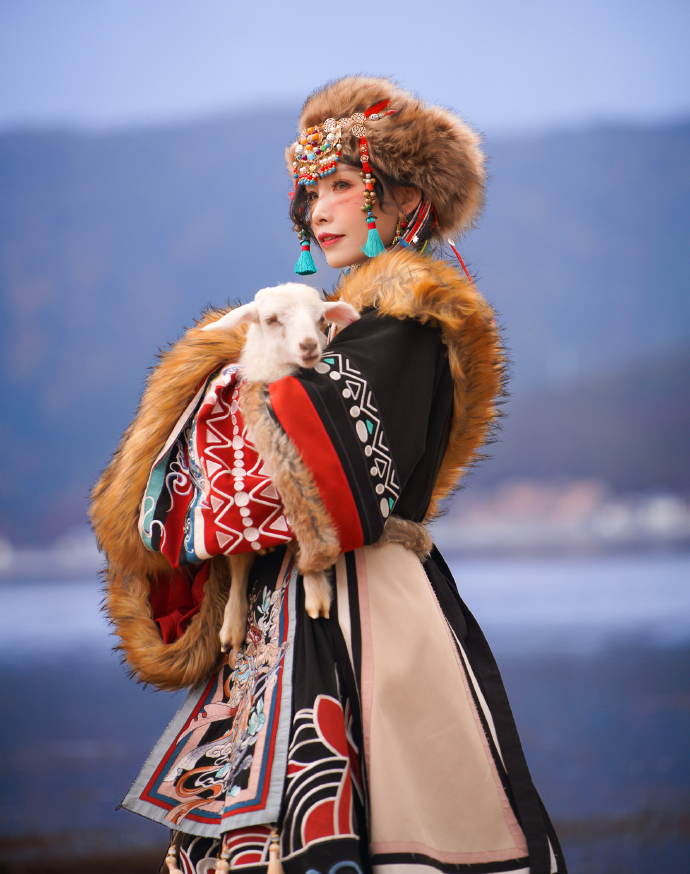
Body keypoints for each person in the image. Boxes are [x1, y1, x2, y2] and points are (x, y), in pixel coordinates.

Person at [91, 76, 567, 874]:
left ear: (404, 199)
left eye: (341, 185)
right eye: (311, 193)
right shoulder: (339, 326)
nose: (319, 210)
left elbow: (298, 467)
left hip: (367, 603)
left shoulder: (409, 317)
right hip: (292, 605)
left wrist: (219, 383)